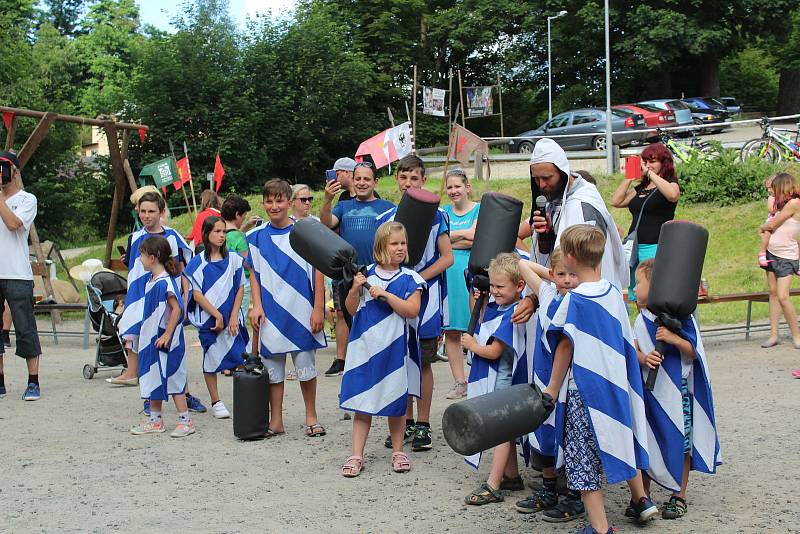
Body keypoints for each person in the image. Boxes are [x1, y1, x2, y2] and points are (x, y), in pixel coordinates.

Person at [541, 225, 656, 534]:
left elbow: (565, 345)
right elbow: (623, 338)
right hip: (614, 388)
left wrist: (552, 388)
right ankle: (641, 500)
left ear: (568, 257)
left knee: (583, 462)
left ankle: (601, 529)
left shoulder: (573, 301)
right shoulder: (613, 293)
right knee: (620, 441)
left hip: (584, 393)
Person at [632, 259, 721, 519]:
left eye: (639, 283)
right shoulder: (640, 318)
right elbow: (634, 348)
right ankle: (641, 496)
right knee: (646, 441)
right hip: (649, 393)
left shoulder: (683, 319)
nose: (634, 289)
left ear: (657, 287)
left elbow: (695, 352)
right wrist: (642, 358)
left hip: (677, 391)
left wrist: (673, 338)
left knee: (682, 443)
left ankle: (678, 495)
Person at [376, 154, 454, 452]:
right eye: (403, 177)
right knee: (399, 359)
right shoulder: (387, 220)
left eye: (415, 178)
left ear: (423, 180)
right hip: (396, 299)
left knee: (422, 362)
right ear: (397, 179)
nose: (408, 183)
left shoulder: (438, 217)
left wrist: (417, 277)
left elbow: (446, 257)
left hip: (427, 299)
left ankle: (423, 424)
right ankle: (404, 421)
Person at [339, 222, 425, 477]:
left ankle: (398, 450)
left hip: (395, 351)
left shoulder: (411, 278)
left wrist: (385, 296)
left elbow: (412, 310)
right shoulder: (365, 275)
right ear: (381, 247)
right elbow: (351, 309)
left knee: (395, 402)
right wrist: (355, 289)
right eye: (394, 244)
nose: (400, 248)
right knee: (362, 403)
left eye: (403, 243)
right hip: (364, 349)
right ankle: (357, 454)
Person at [513, 139, 627, 326]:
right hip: (563, 295)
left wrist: (536, 297)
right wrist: (546, 234)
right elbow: (556, 252)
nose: (541, 185)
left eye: (547, 178)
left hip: (584, 305)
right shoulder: (554, 199)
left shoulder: (581, 206)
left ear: (563, 173)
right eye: (536, 179)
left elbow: (577, 267)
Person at [247, 179, 327, 438]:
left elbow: (318, 271)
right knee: (273, 370)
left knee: (305, 365)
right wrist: (256, 305)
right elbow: (255, 274)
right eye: (269, 201)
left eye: (279, 200)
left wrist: (318, 307)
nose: (274, 206)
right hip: (271, 310)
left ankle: (311, 416)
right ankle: (276, 420)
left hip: (302, 307)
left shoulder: (304, 232)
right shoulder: (256, 238)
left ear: (289, 202)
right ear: (263, 203)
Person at [112, 192, 205, 413]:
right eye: (143, 211)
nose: (146, 215)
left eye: (151, 211)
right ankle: (150, 398)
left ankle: (184, 395)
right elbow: (134, 273)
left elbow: (182, 269)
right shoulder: (135, 238)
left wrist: (184, 298)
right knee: (146, 350)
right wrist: (132, 305)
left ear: (161, 212)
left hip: (168, 303)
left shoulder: (172, 237)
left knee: (173, 352)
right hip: (144, 303)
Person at [515, 248, 586, 523]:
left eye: (573, 274)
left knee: (568, 437)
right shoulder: (547, 294)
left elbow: (567, 345)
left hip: (568, 382)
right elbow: (522, 264)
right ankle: (547, 489)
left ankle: (574, 495)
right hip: (543, 378)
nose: (567, 280)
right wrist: (554, 276)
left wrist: (562, 275)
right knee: (543, 434)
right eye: (562, 274)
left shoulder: (581, 300)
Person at [460, 253, 526, 505]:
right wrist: (484, 300)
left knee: (501, 431)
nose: (494, 291)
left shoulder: (515, 312)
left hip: (504, 380)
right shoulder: (503, 305)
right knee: (505, 431)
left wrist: (472, 345)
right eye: (492, 285)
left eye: (500, 287)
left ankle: (493, 484)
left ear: (519, 286)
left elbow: (494, 350)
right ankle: (512, 475)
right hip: (501, 379)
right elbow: (486, 322)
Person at [319, 162, 395, 377]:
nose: (362, 183)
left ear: (375, 182)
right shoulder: (343, 207)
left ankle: (379, 369)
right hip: (349, 276)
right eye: (358, 178)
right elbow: (326, 223)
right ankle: (357, 369)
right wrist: (327, 199)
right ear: (352, 180)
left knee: (377, 325)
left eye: (367, 179)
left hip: (378, 276)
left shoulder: (388, 207)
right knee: (353, 324)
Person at [120, 236, 194, 437]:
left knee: (174, 378)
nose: (140, 259)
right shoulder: (151, 281)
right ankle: (155, 420)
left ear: (152, 258)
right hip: (152, 340)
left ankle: (186, 421)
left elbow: (177, 309)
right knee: (153, 377)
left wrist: (168, 335)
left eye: (142, 255)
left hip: (167, 342)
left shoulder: (164, 283)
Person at [184, 216, 249, 419]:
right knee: (211, 357)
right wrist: (216, 315)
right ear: (206, 234)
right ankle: (216, 400)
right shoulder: (198, 263)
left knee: (241, 355)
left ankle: (245, 397)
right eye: (217, 232)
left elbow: (240, 287)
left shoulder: (235, 260)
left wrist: (231, 317)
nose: (221, 236)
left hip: (232, 317)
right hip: (208, 318)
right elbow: (196, 293)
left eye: (223, 231)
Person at [610, 143, 680, 300]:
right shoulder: (641, 187)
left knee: (654, 291)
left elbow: (672, 195)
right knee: (637, 291)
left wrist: (650, 173)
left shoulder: (670, 183)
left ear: (664, 162)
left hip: (655, 246)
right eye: (645, 161)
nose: (648, 165)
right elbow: (616, 201)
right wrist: (630, 177)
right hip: (634, 247)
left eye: (652, 161)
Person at [0, 151, 42, 401]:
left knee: (25, 329)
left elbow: (14, 225)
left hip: (16, 272)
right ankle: (1, 381)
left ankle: (33, 381)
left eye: (4, 168)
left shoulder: (27, 199)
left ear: (15, 172)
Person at [441, 168, 479, 400]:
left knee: (473, 327)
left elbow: (477, 236)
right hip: (448, 274)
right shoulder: (443, 211)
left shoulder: (479, 209)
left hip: (470, 272)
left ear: (467, 187)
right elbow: (437, 240)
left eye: (457, 186)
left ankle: (478, 379)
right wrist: (462, 236)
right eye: (450, 187)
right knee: (452, 330)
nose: (454, 191)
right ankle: (459, 381)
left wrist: (449, 238)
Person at [758, 172, 800, 351]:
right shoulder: (782, 204)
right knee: (773, 294)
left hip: (787, 255)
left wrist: (764, 226)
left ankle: (796, 335)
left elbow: (772, 224)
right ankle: (774, 334)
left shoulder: (794, 203)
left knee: (783, 296)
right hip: (771, 253)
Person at [221, 195, 253, 314]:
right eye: (243, 217)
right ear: (237, 215)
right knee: (239, 319)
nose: (243, 220)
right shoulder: (239, 238)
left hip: (223, 282)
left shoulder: (217, 233)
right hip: (240, 284)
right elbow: (246, 263)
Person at [757, 174, 777, 268]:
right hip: (772, 219)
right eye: (767, 188)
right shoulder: (771, 198)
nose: (769, 190)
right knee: (768, 233)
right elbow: (771, 209)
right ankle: (762, 253)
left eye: (770, 187)